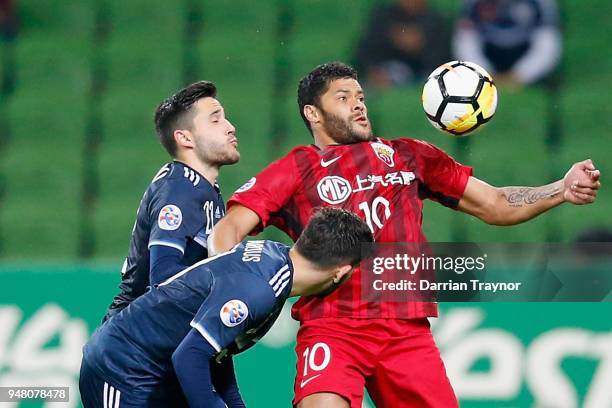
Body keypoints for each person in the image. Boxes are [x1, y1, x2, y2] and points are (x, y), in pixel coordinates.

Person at [209, 62, 601, 407]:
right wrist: (232, 294)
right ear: (312, 113)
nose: (359, 104)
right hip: (334, 325)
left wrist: (560, 189)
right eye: (343, 97)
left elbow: (496, 203)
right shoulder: (297, 168)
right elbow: (229, 230)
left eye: (360, 96)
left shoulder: (409, 155)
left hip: (406, 330)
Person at [79, 208, 374, 408]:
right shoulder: (259, 290)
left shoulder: (274, 259)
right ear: (341, 272)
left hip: (154, 368)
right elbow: (190, 356)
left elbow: (216, 353)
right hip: (122, 367)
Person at [102, 80, 239, 322]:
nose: (230, 127)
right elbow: (164, 279)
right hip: (137, 338)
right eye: (216, 120)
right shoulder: (180, 189)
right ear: (185, 138)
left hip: (156, 332)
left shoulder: (203, 188)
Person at [453, 0, 562, 88]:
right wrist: (483, 74)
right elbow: (465, 39)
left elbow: (548, 42)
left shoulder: (542, 3)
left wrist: (523, 74)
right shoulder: (473, 3)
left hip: (525, 55)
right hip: (487, 54)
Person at [354, 0, 451, 88]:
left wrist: (419, 46)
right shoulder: (383, 16)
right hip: (384, 70)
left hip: (420, 74)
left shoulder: (435, 21)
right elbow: (365, 50)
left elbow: (441, 59)